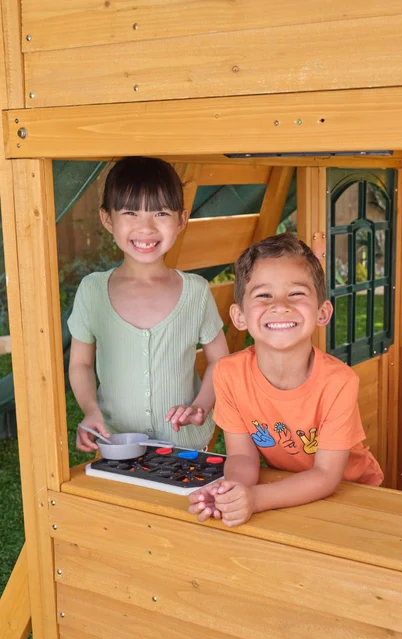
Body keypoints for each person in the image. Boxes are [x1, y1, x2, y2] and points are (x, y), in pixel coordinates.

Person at [188, 233, 383, 528]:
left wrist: (255, 499)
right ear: (239, 316)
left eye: (296, 293)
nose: (280, 305)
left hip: (355, 495)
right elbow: (242, 457)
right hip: (286, 490)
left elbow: (326, 475)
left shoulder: (339, 381)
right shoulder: (228, 374)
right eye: (263, 295)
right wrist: (232, 492)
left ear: (322, 312)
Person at [68, 157, 229, 452]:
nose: (146, 227)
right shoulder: (92, 291)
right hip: (117, 446)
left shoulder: (195, 291)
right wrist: (91, 410)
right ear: (107, 219)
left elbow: (220, 361)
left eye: (161, 213)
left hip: (186, 447)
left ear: (181, 220)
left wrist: (201, 406)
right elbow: (81, 363)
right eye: (130, 212)